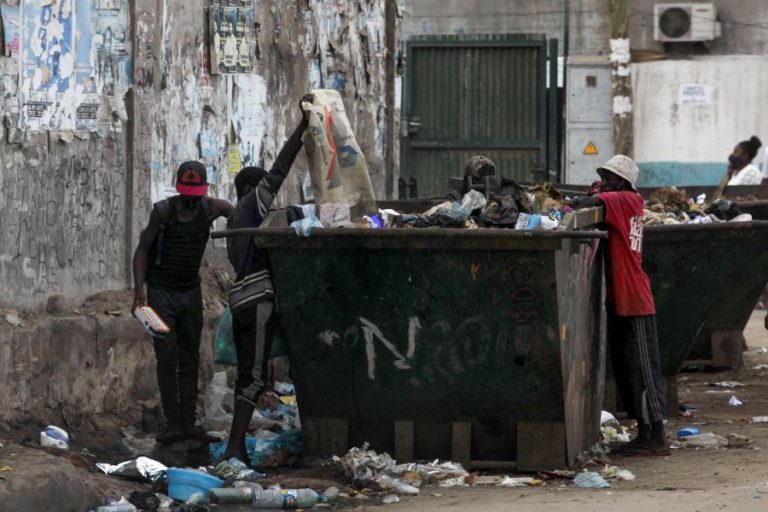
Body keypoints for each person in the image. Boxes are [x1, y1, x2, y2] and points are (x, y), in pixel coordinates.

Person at [221, 94, 312, 464]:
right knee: (255, 379)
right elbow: (279, 171)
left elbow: (283, 216)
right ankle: (234, 447)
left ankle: (235, 447)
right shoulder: (251, 203)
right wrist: (302, 129)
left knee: (248, 375)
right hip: (258, 302)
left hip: (240, 303)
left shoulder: (236, 222)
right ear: (253, 190)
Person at [573, 155, 669, 456]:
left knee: (644, 370)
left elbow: (589, 204)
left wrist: (586, 197)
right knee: (630, 371)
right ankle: (644, 432)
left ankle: (657, 436)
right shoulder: (619, 200)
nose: (605, 182)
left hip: (635, 299)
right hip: (622, 298)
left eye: (609, 177)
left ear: (622, 182)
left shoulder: (627, 199)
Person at [132, 162, 234, 444]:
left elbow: (236, 214)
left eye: (196, 194)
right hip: (160, 294)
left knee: (190, 357)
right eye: (187, 194)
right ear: (179, 189)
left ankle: (187, 423)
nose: (191, 200)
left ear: (204, 191)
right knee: (166, 356)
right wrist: (139, 291)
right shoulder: (162, 212)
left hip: (190, 293)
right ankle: (173, 423)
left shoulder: (212, 208)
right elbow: (142, 250)